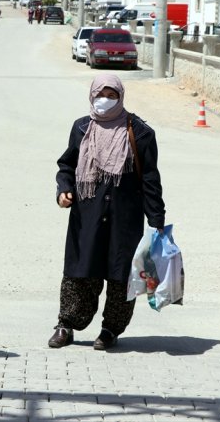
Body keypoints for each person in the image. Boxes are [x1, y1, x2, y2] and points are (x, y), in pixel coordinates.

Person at [49, 74, 166, 351]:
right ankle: (66, 324)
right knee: (79, 272)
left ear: (121, 96)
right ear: (91, 95)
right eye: (100, 94)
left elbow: (150, 179)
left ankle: (111, 329)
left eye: (112, 95)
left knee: (120, 276)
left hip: (124, 220)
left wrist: (157, 221)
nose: (105, 100)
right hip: (86, 217)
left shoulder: (140, 132)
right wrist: (63, 189)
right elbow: (67, 166)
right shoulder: (81, 128)